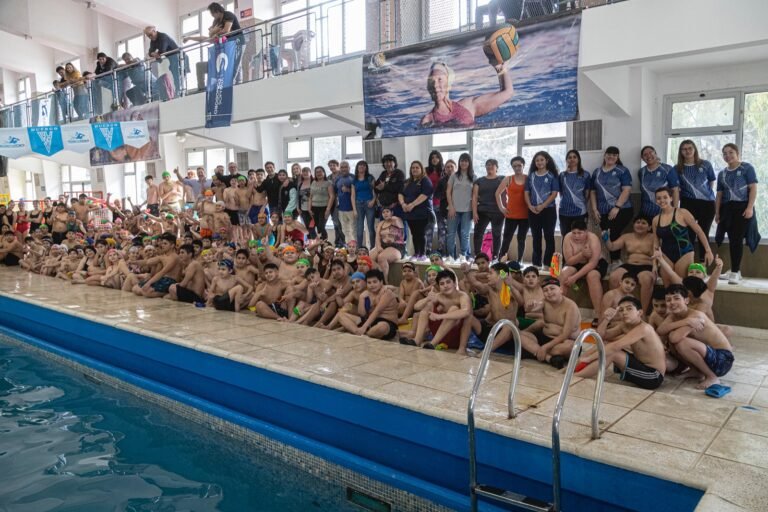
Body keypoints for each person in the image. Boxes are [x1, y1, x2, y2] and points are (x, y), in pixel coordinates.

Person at [577, 296, 666, 390]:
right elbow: (601, 336)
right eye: (621, 310)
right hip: (642, 365)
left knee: (614, 353)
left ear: (639, 312)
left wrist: (589, 358)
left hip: (653, 376)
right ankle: (573, 367)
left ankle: (576, 376)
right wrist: (607, 319)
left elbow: (616, 346)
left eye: (629, 309)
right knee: (605, 345)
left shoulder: (644, 328)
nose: (624, 312)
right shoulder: (625, 325)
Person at [658, 284, 734, 390]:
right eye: (668, 300)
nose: (672, 303)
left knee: (680, 342)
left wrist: (684, 322)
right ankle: (696, 371)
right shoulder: (675, 316)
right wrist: (686, 321)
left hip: (723, 361)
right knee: (673, 339)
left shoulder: (696, 316)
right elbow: (660, 330)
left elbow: (674, 338)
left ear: (686, 301)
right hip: (709, 356)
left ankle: (712, 377)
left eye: (676, 298)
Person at [420, 60, 513, 128]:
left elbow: (507, 93)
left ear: (448, 84)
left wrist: (501, 69)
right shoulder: (428, 120)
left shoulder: (468, 106)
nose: (435, 85)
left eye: (440, 79)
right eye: (431, 82)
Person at [715, 143, 758, 285]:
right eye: (725, 153)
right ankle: (734, 269)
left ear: (737, 153)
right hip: (728, 209)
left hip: (743, 207)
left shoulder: (747, 168)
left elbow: (753, 188)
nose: (728, 156)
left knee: (737, 239)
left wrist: (750, 207)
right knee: (732, 238)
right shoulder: (722, 174)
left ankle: (735, 271)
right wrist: (717, 213)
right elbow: (719, 195)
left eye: (731, 152)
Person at [400, 269, 473, 352]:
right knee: (428, 306)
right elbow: (416, 307)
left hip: (456, 337)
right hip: (441, 336)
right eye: (442, 284)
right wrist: (427, 298)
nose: (445, 286)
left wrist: (440, 316)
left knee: (454, 309)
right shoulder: (439, 296)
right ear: (439, 286)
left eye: (448, 282)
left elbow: (466, 311)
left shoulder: (462, 296)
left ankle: (433, 344)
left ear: (454, 283)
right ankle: (417, 340)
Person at [519, 277, 581, 369]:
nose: (549, 292)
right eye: (545, 290)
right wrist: (530, 306)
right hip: (545, 338)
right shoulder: (545, 302)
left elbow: (565, 334)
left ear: (561, 290)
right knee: (519, 334)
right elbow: (532, 308)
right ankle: (549, 358)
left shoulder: (570, 307)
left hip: (563, 342)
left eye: (552, 288)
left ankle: (535, 352)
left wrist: (545, 348)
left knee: (571, 347)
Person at [653, 187, 713, 281]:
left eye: (665, 197)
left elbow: (699, 231)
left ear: (671, 198)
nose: (662, 200)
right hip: (666, 255)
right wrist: (654, 264)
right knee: (668, 288)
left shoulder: (682, 213)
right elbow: (656, 243)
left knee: (683, 286)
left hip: (684, 253)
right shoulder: (656, 220)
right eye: (659, 198)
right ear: (656, 201)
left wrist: (708, 250)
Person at [590, 146, 633, 268]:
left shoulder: (622, 170)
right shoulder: (596, 172)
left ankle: (616, 261)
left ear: (618, 157)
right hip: (602, 210)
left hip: (623, 209)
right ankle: (613, 261)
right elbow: (593, 192)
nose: (611, 157)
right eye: (609, 154)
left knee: (613, 232)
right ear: (604, 156)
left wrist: (617, 207)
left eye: (614, 155)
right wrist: (594, 209)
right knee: (606, 235)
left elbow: (627, 190)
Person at [676, 140, 716, 261]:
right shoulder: (677, 168)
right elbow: (676, 189)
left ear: (694, 150)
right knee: (689, 235)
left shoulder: (705, 164)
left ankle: (703, 265)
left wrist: (703, 194)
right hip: (688, 203)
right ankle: (689, 263)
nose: (687, 151)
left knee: (703, 233)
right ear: (681, 152)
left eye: (690, 148)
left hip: (707, 204)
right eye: (684, 149)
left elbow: (711, 181)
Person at [605, 215, 656, 312]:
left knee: (647, 279)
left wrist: (655, 268)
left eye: (643, 223)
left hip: (646, 265)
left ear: (649, 227)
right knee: (614, 277)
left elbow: (657, 254)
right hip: (629, 264)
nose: (640, 225)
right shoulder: (626, 236)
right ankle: (616, 307)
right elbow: (612, 247)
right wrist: (606, 239)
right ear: (633, 225)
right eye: (638, 222)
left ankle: (642, 312)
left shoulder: (653, 237)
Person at [558, 219, 606, 320]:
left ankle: (599, 314)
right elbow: (569, 261)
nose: (576, 236)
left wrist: (575, 277)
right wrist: (581, 255)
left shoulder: (593, 238)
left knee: (592, 276)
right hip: (576, 262)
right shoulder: (567, 237)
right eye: (574, 233)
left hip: (595, 264)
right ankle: (560, 309)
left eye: (580, 233)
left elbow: (593, 263)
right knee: (564, 273)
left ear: (586, 232)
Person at [337, 269, 399, 340]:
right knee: (340, 315)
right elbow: (362, 314)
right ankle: (358, 332)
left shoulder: (386, 292)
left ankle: (364, 333)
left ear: (381, 282)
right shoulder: (367, 293)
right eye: (369, 283)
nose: (372, 285)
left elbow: (377, 311)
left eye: (374, 282)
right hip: (370, 322)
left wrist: (364, 327)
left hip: (387, 323)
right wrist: (361, 298)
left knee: (382, 327)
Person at [525, 151, 559, 271]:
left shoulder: (552, 176)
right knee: (536, 237)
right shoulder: (531, 176)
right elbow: (526, 193)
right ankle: (536, 263)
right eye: (537, 160)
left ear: (547, 161)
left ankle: (548, 264)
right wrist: (530, 206)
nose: (539, 162)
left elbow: (554, 194)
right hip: (533, 211)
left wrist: (543, 205)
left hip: (548, 211)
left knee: (549, 237)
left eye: (542, 160)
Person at [496, 156, 529, 263]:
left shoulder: (528, 178)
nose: (517, 168)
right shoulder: (508, 179)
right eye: (514, 166)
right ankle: (501, 262)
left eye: (519, 165)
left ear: (523, 165)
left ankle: (519, 262)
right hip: (511, 215)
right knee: (506, 239)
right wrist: (501, 208)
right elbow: (497, 194)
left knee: (521, 239)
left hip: (525, 215)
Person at [399, 161, 434, 261]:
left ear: (421, 169)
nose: (414, 169)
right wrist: (403, 204)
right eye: (413, 167)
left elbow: (425, 194)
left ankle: (423, 254)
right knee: (414, 233)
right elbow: (400, 194)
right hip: (410, 213)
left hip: (422, 212)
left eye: (417, 167)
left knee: (421, 233)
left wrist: (412, 204)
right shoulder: (407, 181)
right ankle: (416, 253)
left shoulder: (425, 180)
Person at [473, 159, 504, 260]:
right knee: (478, 233)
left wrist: (505, 208)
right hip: (482, 211)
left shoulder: (502, 179)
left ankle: (495, 256)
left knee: (497, 234)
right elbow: (474, 197)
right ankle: (478, 255)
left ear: (497, 168)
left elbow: (509, 194)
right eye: (487, 165)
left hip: (498, 212)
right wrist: (474, 212)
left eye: (492, 165)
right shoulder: (479, 181)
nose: (489, 167)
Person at [446, 153, 474, 261]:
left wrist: (474, 210)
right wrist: (451, 207)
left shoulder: (473, 177)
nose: (464, 163)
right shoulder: (454, 176)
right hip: (453, 209)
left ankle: (463, 255)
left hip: (467, 210)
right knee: (451, 234)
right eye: (462, 161)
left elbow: (475, 195)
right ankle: (450, 256)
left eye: (466, 161)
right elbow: (448, 192)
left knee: (464, 233)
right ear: (459, 162)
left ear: (469, 163)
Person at [558, 150, 591, 242]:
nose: (572, 159)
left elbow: (587, 193)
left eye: (574, 157)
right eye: (569, 157)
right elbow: (561, 192)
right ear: (566, 160)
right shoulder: (562, 175)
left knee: (580, 238)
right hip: (564, 212)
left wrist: (580, 203)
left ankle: (580, 256)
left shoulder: (586, 174)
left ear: (578, 159)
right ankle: (566, 257)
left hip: (580, 212)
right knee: (566, 237)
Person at [638, 145, 679, 218]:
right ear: (642, 158)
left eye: (651, 152)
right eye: (645, 155)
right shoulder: (641, 172)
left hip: (664, 212)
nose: (648, 156)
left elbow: (675, 190)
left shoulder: (668, 169)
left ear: (655, 154)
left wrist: (675, 211)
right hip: (646, 211)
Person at [145, 25, 182, 98]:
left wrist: (154, 54)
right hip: (171, 58)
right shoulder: (153, 40)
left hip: (178, 57)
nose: (150, 37)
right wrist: (153, 53)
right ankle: (177, 92)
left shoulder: (163, 37)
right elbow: (150, 52)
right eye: (148, 36)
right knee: (175, 76)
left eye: (150, 35)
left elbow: (162, 50)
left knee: (177, 75)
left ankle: (179, 92)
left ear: (154, 31)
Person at [370, 207, 405, 281]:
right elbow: (377, 237)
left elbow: (395, 219)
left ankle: (384, 282)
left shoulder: (397, 220)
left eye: (387, 211)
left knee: (381, 257)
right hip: (383, 246)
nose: (385, 214)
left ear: (392, 212)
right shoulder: (381, 223)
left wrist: (391, 217)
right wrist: (378, 247)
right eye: (383, 212)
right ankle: (375, 277)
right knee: (369, 258)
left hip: (396, 247)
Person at [351, 160, 376, 248]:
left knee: (371, 228)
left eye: (363, 165)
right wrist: (354, 209)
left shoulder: (370, 178)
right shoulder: (354, 180)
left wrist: (373, 201)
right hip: (358, 205)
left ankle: (373, 248)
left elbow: (375, 191)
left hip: (369, 204)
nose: (361, 167)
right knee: (359, 229)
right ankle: (359, 248)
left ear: (366, 167)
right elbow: (353, 195)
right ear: (357, 167)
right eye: (360, 165)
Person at [424, 150, 444, 254]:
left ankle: (441, 249)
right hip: (429, 204)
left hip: (440, 203)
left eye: (437, 157)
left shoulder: (444, 170)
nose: (435, 159)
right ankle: (428, 249)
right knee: (429, 227)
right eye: (432, 157)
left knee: (441, 227)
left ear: (440, 159)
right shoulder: (426, 171)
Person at [308, 166, 334, 241]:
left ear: (324, 172)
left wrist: (328, 209)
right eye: (317, 172)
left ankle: (324, 242)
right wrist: (309, 208)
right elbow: (310, 197)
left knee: (321, 226)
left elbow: (332, 196)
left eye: (320, 171)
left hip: (324, 207)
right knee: (316, 227)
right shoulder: (313, 182)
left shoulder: (328, 183)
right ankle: (319, 242)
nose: (318, 173)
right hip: (314, 207)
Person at [334, 161, 356, 243]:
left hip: (352, 208)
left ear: (349, 168)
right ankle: (349, 247)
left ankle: (356, 248)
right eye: (342, 167)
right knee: (345, 230)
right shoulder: (338, 179)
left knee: (353, 230)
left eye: (345, 167)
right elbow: (335, 192)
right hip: (341, 209)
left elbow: (358, 192)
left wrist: (348, 190)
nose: (343, 169)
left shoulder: (353, 178)